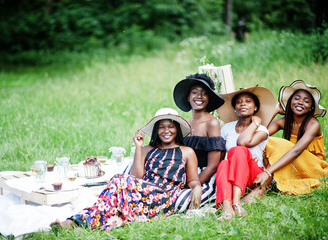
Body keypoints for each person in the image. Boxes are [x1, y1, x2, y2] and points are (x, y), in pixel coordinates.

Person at [51, 108, 202, 231]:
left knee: (119, 179)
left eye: (170, 127)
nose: (166, 131)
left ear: (177, 129)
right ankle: (76, 223)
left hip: (164, 197)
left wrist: (195, 205)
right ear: (156, 130)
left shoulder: (186, 152)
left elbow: (194, 181)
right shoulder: (148, 149)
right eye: (161, 127)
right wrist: (138, 148)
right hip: (143, 193)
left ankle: (76, 223)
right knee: (114, 200)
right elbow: (137, 177)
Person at [252, 80, 328, 195]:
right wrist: (275, 110)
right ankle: (264, 184)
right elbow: (260, 137)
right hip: (293, 164)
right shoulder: (283, 122)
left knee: (279, 144)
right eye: (297, 98)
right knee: (267, 143)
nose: (301, 102)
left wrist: (267, 172)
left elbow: (296, 151)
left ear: (311, 107)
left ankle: (261, 189)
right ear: (290, 101)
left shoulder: (313, 125)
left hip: (312, 168)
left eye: (306, 101)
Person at [215, 86, 276, 220]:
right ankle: (227, 209)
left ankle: (236, 202)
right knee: (224, 164)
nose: (242, 103)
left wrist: (255, 123)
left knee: (239, 150)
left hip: (254, 175)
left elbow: (242, 142)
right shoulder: (227, 128)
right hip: (233, 172)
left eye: (248, 101)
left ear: (255, 108)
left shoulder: (261, 129)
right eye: (238, 102)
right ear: (235, 108)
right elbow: (221, 154)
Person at [172, 73, 226, 213]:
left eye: (204, 93)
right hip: (186, 173)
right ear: (188, 98)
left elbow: (213, 165)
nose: (199, 96)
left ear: (209, 98)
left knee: (182, 201)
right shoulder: (186, 123)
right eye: (194, 92)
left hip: (205, 177)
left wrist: (189, 185)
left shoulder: (211, 123)